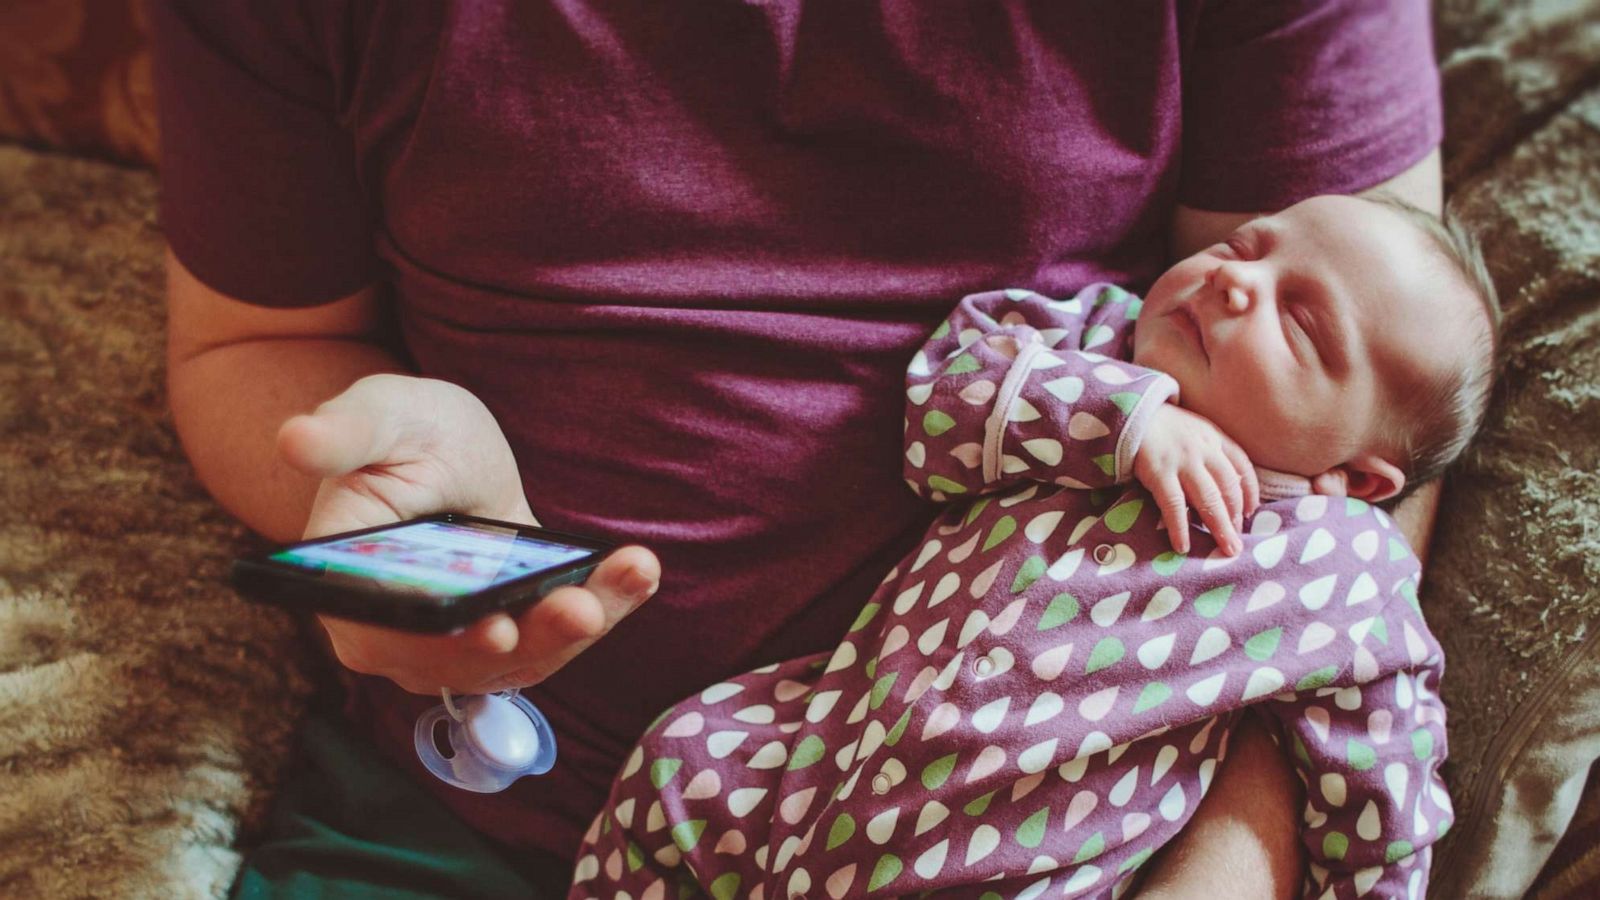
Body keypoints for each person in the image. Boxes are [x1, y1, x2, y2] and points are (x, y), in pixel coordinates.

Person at [148, 2, 1451, 896]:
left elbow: (1374, 414)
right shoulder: (1047, 355)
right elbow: (253, 344)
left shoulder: (1327, 511)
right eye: (1240, 266)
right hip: (485, 785)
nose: (1238, 288)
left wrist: (1224, 865)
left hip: (1081, 844)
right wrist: (403, 534)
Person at [570, 194, 1499, 900]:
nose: (1232, 279)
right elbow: (939, 402)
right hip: (804, 769)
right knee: (681, 756)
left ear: (1361, 475)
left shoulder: (1340, 565)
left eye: (1299, 320)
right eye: (1245, 244)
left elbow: (1384, 791)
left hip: (1004, 864)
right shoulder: (1089, 344)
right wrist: (1122, 421)